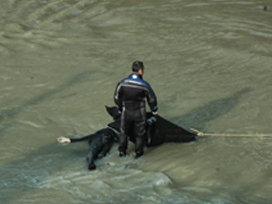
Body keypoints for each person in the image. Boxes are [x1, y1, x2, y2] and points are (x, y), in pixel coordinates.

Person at [113, 60, 158, 158]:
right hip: (139, 113)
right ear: (141, 71)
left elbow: (116, 98)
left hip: (126, 112)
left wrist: (120, 107)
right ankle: (138, 154)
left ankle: (122, 152)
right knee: (139, 134)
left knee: (123, 132)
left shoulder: (122, 83)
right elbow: (152, 99)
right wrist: (154, 110)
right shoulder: (144, 85)